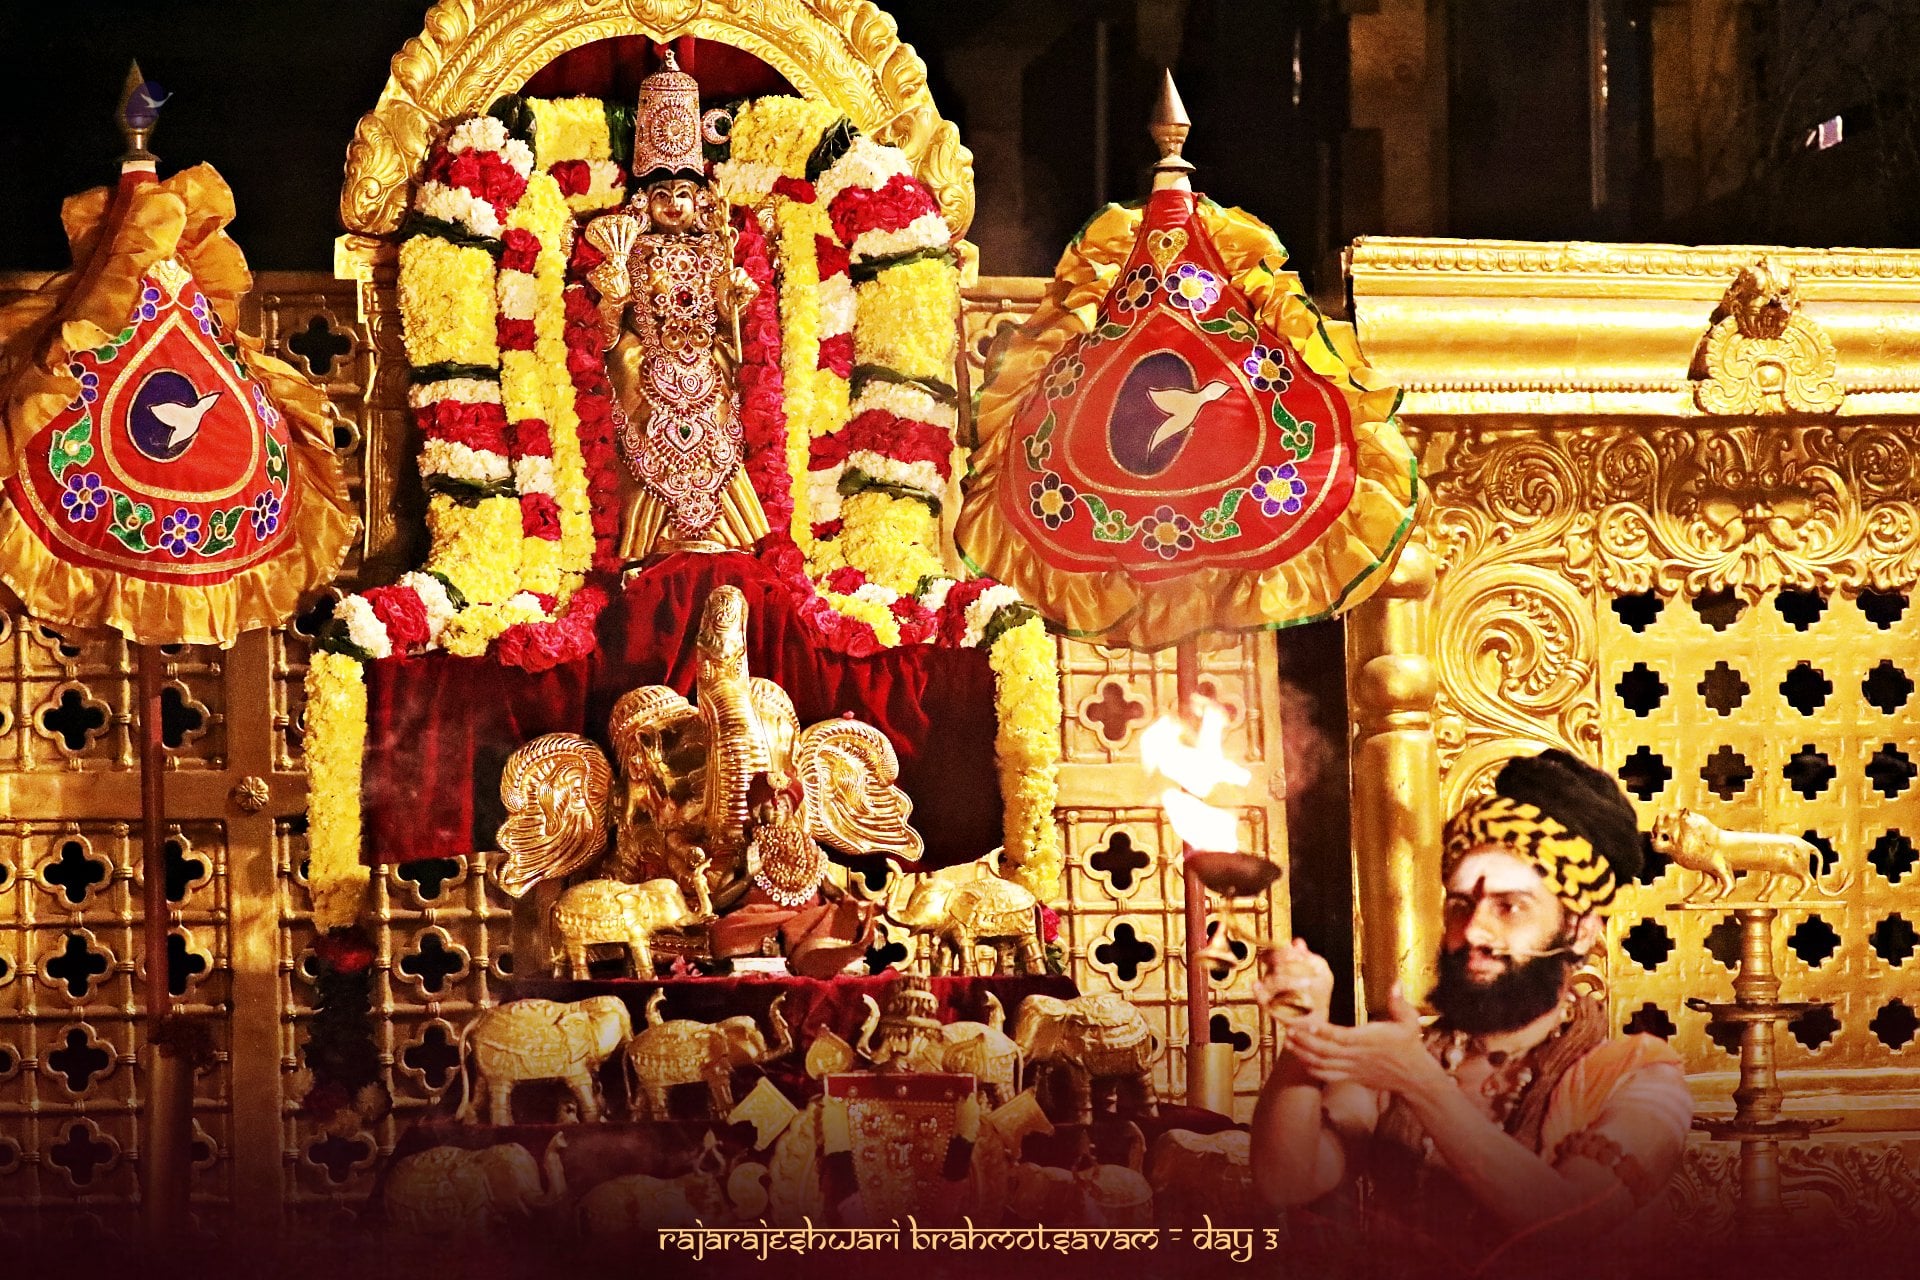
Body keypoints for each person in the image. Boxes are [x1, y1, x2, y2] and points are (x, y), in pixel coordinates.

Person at [1250, 749, 1692, 1260]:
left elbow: (1567, 1223)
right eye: (1461, 905)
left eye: (1510, 907)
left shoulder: (1640, 1077)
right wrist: (1304, 1032)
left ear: (1579, 930)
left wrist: (1421, 1084)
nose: (1474, 931)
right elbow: (1287, 1181)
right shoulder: (1407, 1058)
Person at [583, 50, 769, 562]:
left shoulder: (716, 247)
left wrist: (736, 299)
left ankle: (726, 544)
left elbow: (727, 321)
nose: (672, 203)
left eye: (683, 193)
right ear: (643, 201)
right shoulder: (630, 249)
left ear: (699, 200)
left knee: (719, 446)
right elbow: (605, 334)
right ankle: (648, 549)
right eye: (660, 193)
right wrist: (613, 297)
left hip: (708, 373)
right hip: (647, 372)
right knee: (646, 445)